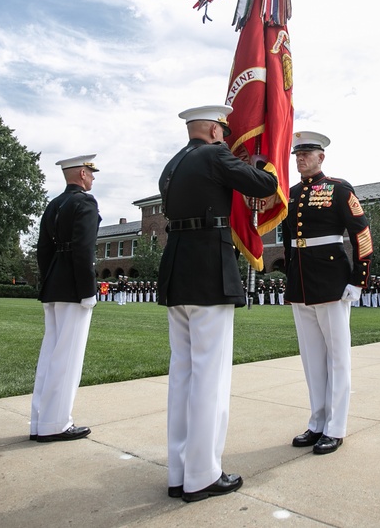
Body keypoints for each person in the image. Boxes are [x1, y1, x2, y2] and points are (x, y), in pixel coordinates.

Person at [157, 104, 277, 503]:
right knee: (210, 376)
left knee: (183, 375)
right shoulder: (215, 154)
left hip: (178, 272)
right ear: (212, 129)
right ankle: (204, 474)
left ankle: (180, 472)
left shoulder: (171, 166)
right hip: (209, 271)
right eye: (223, 131)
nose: (226, 136)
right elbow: (260, 185)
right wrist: (267, 162)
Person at [282, 131, 372, 457]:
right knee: (311, 359)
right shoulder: (290, 194)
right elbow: (289, 242)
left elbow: (361, 234)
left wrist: (358, 279)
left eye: (307, 153)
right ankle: (317, 421)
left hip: (333, 282)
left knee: (337, 358)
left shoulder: (339, 189)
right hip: (301, 283)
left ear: (321, 157)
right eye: (297, 154)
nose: (300, 158)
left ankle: (335, 427)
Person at [30, 154, 102, 443]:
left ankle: (40, 420)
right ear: (82, 173)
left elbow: (43, 250)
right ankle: (56, 423)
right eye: (92, 173)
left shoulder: (54, 204)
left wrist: (49, 280)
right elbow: (85, 250)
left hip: (54, 284)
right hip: (73, 288)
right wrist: (88, 289)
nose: (94, 178)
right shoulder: (85, 203)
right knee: (67, 357)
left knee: (50, 355)